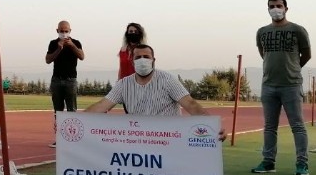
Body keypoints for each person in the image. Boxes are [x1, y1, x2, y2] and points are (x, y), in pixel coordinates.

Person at [84, 45, 226, 140]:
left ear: (153, 60)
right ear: (132, 62)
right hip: (140, 140)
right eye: (138, 58)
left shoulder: (168, 80)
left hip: (169, 139)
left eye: (146, 57)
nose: (142, 60)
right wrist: (73, 120)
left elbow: (191, 104)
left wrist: (213, 126)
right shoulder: (123, 84)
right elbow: (102, 106)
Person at [253, 0, 311, 175]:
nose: (276, 9)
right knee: (270, 126)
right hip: (269, 85)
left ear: (286, 8)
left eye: (279, 6)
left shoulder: (297, 30)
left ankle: (302, 164)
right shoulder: (262, 32)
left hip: (291, 85)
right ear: (268, 9)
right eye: (272, 6)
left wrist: (293, 69)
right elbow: (264, 54)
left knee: (297, 126)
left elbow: (306, 54)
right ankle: (268, 162)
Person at [45, 20, 84, 148]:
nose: (64, 33)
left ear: (70, 31)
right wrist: (59, 48)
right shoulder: (53, 43)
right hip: (56, 80)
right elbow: (48, 60)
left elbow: (82, 56)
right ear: (57, 31)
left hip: (70, 80)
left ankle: (73, 138)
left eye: (66, 31)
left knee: (72, 109)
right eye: (61, 31)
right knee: (58, 111)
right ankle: (60, 138)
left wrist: (72, 45)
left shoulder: (76, 43)